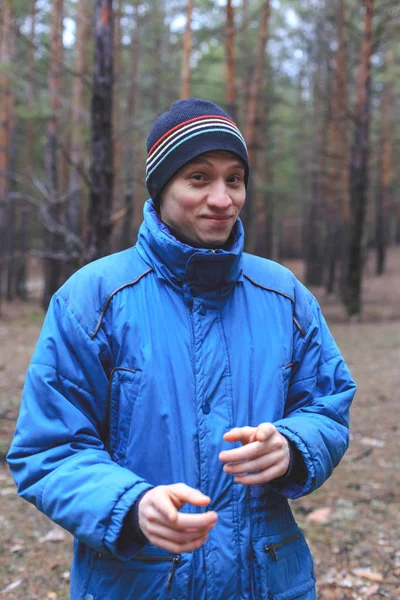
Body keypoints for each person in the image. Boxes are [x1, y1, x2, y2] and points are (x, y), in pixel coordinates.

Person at [7, 98, 356, 600]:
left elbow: (328, 406)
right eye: (198, 177)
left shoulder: (284, 296)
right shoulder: (95, 300)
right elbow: (49, 448)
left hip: (269, 581)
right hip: (138, 583)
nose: (222, 198)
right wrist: (130, 504)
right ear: (161, 186)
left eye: (234, 179)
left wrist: (295, 444)